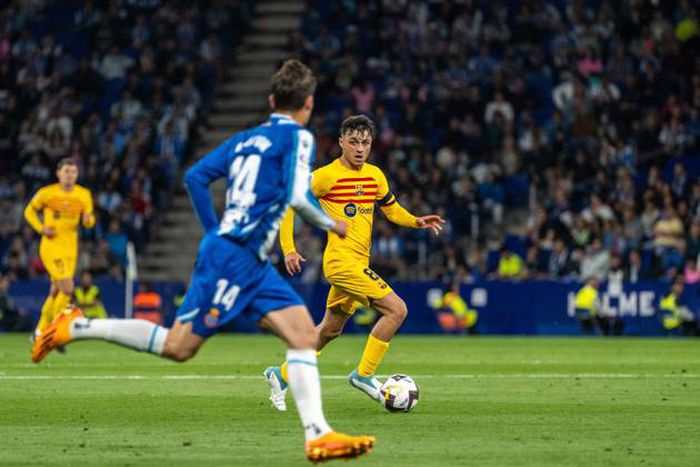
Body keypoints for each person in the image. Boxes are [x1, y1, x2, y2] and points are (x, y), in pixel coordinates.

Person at [31, 59, 375, 462]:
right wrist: (331, 223)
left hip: (243, 256)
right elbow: (298, 196)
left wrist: (213, 230)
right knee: (179, 345)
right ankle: (77, 325)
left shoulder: (245, 139)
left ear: (271, 100)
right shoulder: (299, 138)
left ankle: (318, 435)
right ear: (309, 104)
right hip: (235, 257)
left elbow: (195, 177)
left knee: (300, 334)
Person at [264, 115, 444, 410]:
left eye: (366, 142)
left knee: (329, 330)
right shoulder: (326, 176)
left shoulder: (374, 175)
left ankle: (280, 375)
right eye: (354, 142)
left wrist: (416, 221)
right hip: (340, 262)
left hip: (359, 261)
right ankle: (364, 375)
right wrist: (289, 249)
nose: (360, 149)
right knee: (397, 310)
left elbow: (391, 209)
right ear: (341, 142)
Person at [23, 158, 95, 336]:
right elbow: (29, 212)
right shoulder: (47, 193)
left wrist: (88, 221)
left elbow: (89, 220)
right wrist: (41, 228)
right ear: (58, 173)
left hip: (71, 249)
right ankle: (56, 331)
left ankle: (40, 332)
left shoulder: (84, 194)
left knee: (55, 291)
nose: (70, 175)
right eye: (66, 171)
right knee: (68, 288)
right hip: (51, 247)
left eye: (73, 172)